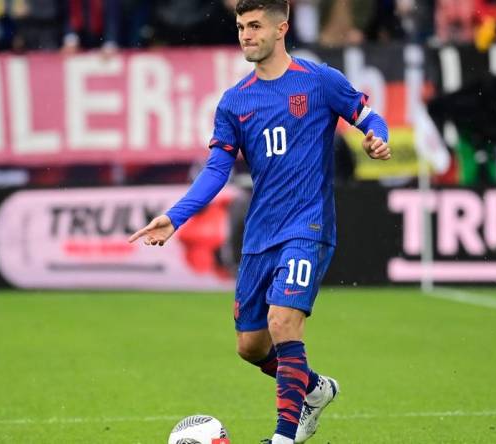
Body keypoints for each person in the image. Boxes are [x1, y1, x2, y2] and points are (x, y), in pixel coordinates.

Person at [128, 1, 390, 442]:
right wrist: (175, 218)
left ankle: (284, 437)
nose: (245, 34)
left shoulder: (320, 81)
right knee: (250, 346)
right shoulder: (234, 101)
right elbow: (216, 170)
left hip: (308, 227)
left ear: (281, 28)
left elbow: (370, 117)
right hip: (260, 234)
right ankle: (315, 389)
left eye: (254, 26)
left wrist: (376, 139)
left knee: (283, 322)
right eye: (240, 27)